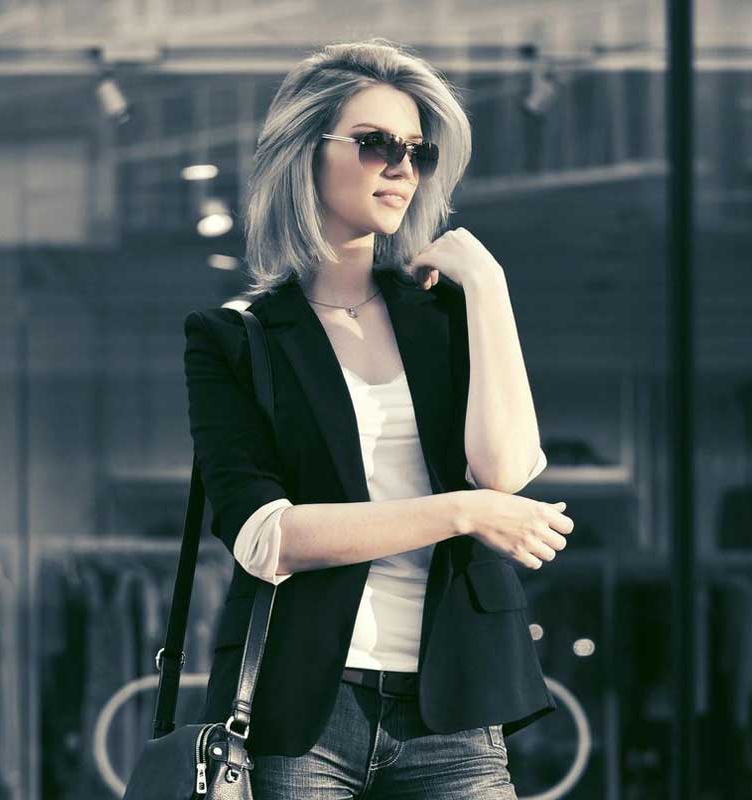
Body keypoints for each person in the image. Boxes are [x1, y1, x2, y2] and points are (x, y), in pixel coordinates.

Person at [181, 38, 574, 799]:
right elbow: (268, 538)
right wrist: (462, 511)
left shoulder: (447, 313)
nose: (402, 166)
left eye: (417, 150)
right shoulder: (235, 337)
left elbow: (507, 471)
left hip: (454, 709)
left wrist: (487, 288)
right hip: (301, 715)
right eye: (375, 144)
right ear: (305, 151)